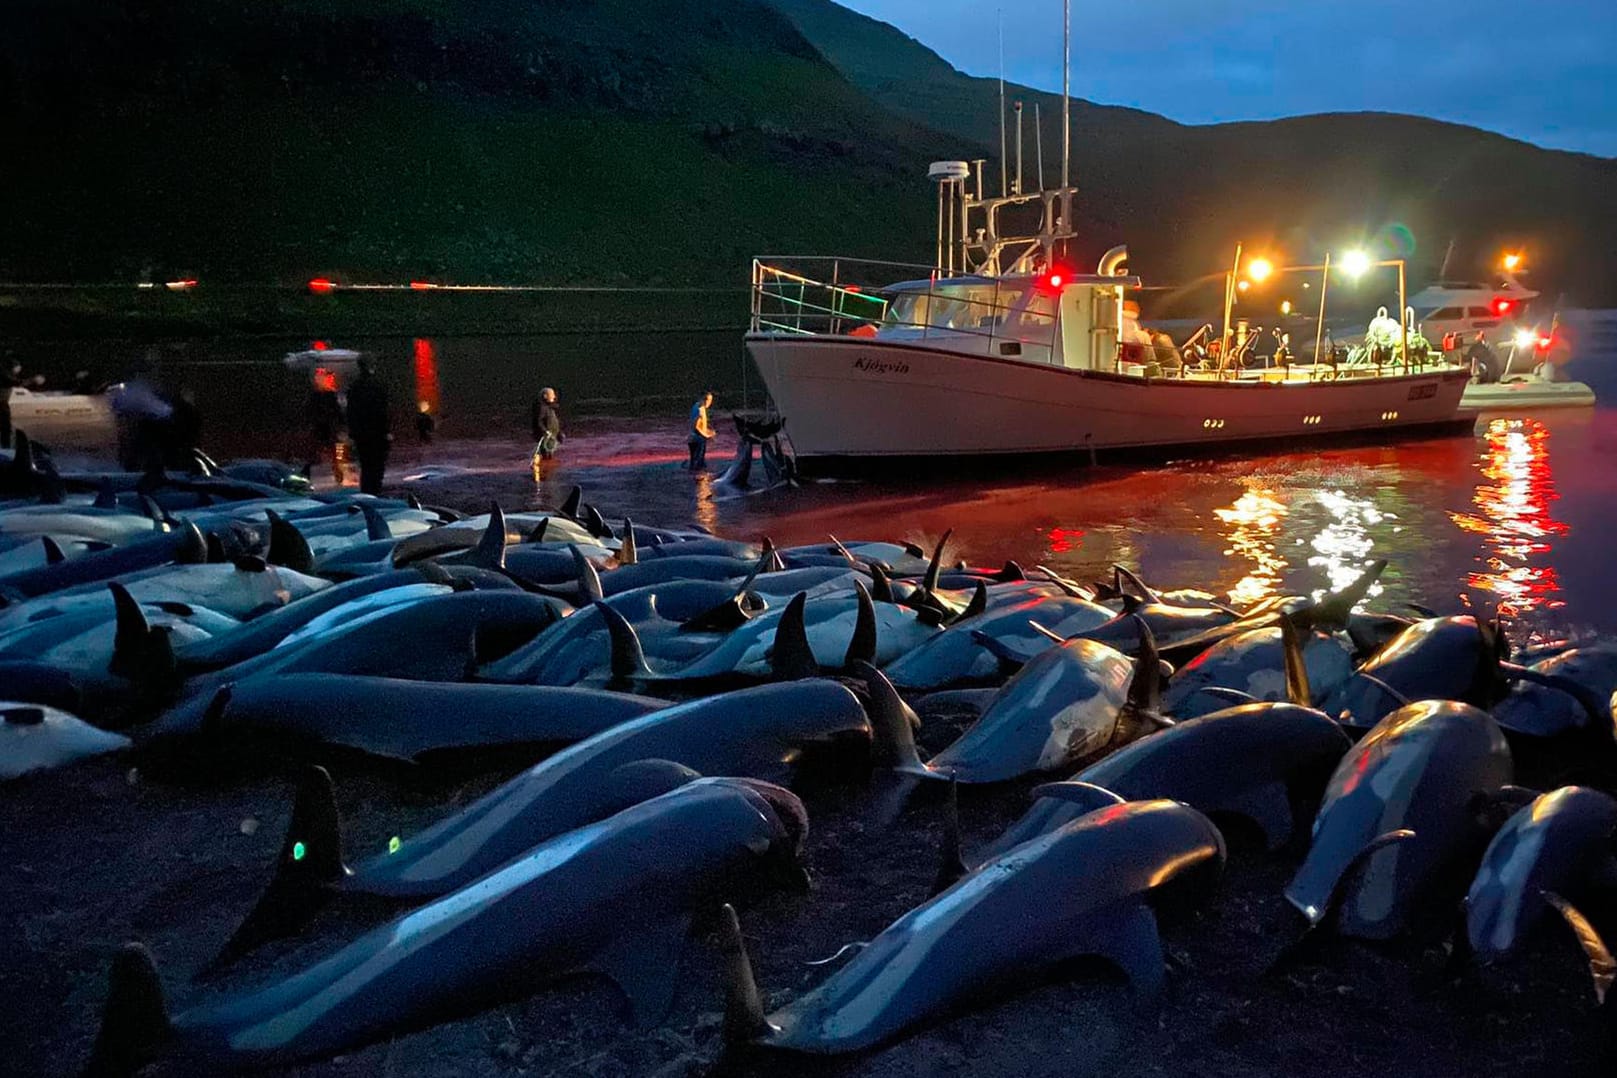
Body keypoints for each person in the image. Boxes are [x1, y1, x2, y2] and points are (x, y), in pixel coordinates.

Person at [346, 357, 391, 495]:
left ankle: (367, 493)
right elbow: (383, 410)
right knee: (377, 466)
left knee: (366, 466)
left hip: (361, 434)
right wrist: (387, 431)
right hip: (377, 433)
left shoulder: (354, 387)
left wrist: (353, 432)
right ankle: (375, 493)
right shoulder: (379, 385)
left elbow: (351, 411)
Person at [305, 368, 346, 484]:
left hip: (326, 428)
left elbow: (337, 412)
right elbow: (338, 412)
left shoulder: (327, 395)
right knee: (320, 453)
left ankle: (338, 473)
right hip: (324, 428)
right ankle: (338, 473)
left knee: (336, 452)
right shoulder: (323, 396)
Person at [164, 386, 204, 470]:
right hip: (182, 450)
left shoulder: (190, 411)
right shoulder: (182, 411)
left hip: (188, 448)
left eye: (192, 394)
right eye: (188, 394)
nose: (191, 396)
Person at [530, 387, 561, 480]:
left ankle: (548, 474)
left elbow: (555, 423)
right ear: (545, 396)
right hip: (545, 438)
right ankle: (541, 477)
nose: (554, 397)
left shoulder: (550, 408)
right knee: (544, 456)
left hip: (552, 437)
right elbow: (538, 422)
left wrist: (559, 434)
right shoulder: (542, 408)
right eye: (552, 395)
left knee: (550, 456)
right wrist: (545, 432)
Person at [687, 390, 716, 470]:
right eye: (709, 400)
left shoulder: (695, 406)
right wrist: (706, 435)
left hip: (692, 438)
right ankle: (701, 480)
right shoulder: (700, 409)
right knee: (699, 464)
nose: (710, 402)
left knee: (694, 463)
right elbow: (696, 426)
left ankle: (693, 478)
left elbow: (697, 425)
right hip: (698, 439)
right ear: (704, 399)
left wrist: (708, 431)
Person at [0, 359, 19, 450]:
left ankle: (5, 448)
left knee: (6, 429)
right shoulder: (5, 375)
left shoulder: (6, 375)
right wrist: (33, 380)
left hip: (3, 405)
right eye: (17, 367)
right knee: (6, 429)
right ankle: (6, 449)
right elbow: (16, 382)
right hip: (1, 405)